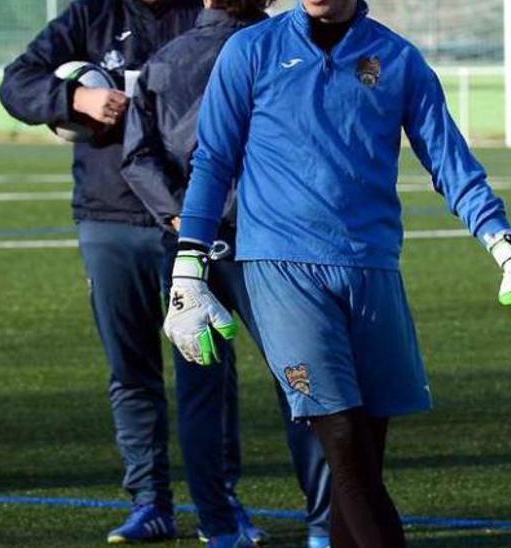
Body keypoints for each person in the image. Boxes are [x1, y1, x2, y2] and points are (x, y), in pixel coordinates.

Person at [161, 0, 511, 546]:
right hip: (282, 269)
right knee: (343, 442)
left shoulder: (397, 58)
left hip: (372, 270)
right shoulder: (250, 51)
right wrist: (188, 270)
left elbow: (450, 160)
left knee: (365, 454)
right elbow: (213, 162)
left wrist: (508, 250)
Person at [0, 0, 254, 543]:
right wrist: (75, 97)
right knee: (131, 369)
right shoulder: (92, 15)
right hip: (109, 217)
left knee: (206, 368)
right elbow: (16, 83)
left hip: (192, 220)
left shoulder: (207, 16)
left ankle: (221, 504)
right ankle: (150, 502)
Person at [120, 0, 332, 546]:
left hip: (190, 245)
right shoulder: (292, 51)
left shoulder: (166, 59)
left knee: (200, 389)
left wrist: (180, 216)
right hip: (272, 243)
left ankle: (218, 526)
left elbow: (137, 155)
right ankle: (324, 526)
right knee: (302, 382)